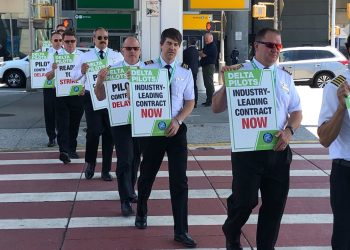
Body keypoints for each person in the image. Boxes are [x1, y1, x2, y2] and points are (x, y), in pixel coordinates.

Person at [211, 27, 302, 250]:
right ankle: (231, 229)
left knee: (274, 205)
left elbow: (297, 112)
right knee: (245, 202)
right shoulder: (240, 71)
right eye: (270, 45)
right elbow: (216, 107)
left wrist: (289, 131)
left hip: (278, 150)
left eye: (278, 46)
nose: (275, 50)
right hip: (247, 151)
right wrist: (227, 82)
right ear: (256, 46)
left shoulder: (284, 77)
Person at [134, 28, 197, 248]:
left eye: (176, 45)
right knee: (147, 175)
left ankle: (181, 230)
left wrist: (178, 120)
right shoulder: (146, 67)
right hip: (153, 133)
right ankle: (141, 210)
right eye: (169, 43)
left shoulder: (185, 72)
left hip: (176, 130)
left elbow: (190, 102)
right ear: (161, 44)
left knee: (179, 180)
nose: (172, 48)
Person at [94, 36, 142, 216]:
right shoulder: (112, 71)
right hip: (120, 121)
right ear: (122, 50)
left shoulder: (148, 69)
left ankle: (130, 190)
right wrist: (99, 81)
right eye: (128, 48)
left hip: (141, 121)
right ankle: (125, 199)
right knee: (125, 159)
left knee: (136, 159)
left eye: (135, 49)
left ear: (140, 51)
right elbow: (99, 97)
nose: (132, 52)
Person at [72, 27, 123, 181]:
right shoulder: (85, 56)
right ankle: (90, 164)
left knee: (109, 135)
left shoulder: (116, 56)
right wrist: (81, 71)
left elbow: (124, 72)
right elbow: (74, 76)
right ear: (93, 39)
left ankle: (106, 170)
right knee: (93, 132)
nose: (103, 40)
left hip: (110, 98)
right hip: (91, 98)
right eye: (99, 37)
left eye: (105, 38)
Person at [318, 38, 350, 249]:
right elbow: (324, 138)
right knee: (344, 236)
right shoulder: (337, 85)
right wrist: (340, 108)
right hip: (346, 172)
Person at [45, 29, 84, 164]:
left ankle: (72, 148)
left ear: (76, 41)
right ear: (63, 42)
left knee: (74, 124)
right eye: (66, 41)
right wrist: (53, 70)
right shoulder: (55, 56)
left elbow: (88, 76)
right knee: (62, 124)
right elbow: (48, 77)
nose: (69, 44)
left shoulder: (82, 56)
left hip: (77, 95)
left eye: (72, 41)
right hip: (61, 95)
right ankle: (64, 151)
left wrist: (85, 87)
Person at [44, 31, 64, 147]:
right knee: (49, 113)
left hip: (62, 87)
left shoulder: (67, 55)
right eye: (55, 40)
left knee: (61, 113)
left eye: (60, 40)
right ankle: (51, 137)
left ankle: (61, 136)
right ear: (51, 41)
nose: (58, 42)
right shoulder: (44, 54)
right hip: (49, 88)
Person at [199, 32, 217, 107]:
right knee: (206, 84)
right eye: (205, 38)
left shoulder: (212, 46)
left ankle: (211, 100)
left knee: (209, 84)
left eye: (207, 38)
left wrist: (202, 54)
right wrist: (201, 54)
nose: (205, 40)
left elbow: (202, 54)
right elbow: (200, 53)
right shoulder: (207, 45)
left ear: (211, 38)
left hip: (209, 66)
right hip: (205, 66)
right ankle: (208, 100)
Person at [183, 38, 199, 108]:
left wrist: (184, 67)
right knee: (194, 86)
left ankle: (188, 103)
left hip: (187, 71)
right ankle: (195, 102)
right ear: (195, 43)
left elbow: (183, 62)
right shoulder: (197, 51)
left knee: (187, 86)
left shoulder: (186, 51)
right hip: (195, 71)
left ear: (189, 43)